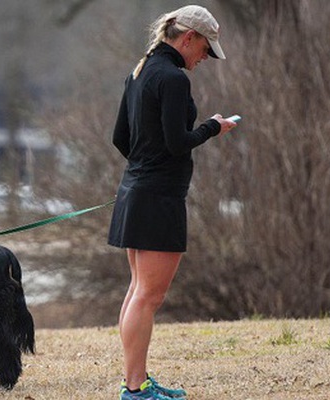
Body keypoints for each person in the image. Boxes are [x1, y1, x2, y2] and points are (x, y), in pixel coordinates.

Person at [107, 5, 237, 400]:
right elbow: (178, 143)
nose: (204, 59)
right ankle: (135, 389)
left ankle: (139, 381)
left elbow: (120, 138)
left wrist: (144, 167)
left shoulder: (141, 70)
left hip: (137, 190)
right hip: (158, 197)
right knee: (149, 295)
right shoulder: (173, 79)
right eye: (205, 50)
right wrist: (214, 126)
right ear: (188, 39)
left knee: (138, 291)